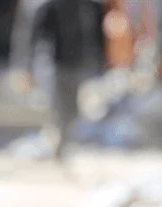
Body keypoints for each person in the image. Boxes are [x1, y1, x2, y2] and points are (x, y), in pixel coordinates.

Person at [28, 0, 105, 159]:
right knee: (59, 105)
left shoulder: (90, 7)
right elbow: (39, 36)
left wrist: (99, 62)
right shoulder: (51, 7)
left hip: (80, 64)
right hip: (57, 65)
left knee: (73, 107)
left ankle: (65, 140)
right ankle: (59, 141)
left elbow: (97, 35)